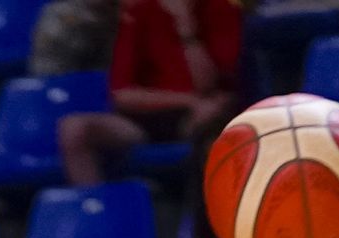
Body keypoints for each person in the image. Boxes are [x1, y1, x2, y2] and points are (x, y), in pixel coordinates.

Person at [57, 0, 240, 187]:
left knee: (210, 116)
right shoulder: (140, 11)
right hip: (145, 119)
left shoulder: (220, 9)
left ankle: (203, 208)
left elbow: (206, 85)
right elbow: (122, 94)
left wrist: (186, 29)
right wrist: (189, 100)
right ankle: (97, 210)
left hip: (193, 119)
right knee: (73, 128)